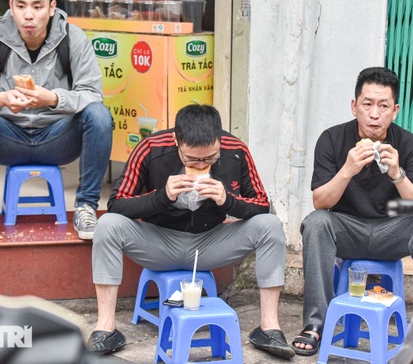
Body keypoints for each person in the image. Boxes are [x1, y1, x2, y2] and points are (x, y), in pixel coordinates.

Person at [87, 104, 295, 360]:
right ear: (176, 141)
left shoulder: (236, 150)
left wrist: (227, 200)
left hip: (211, 243)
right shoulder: (151, 147)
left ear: (219, 140)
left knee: (270, 226)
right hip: (158, 241)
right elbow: (117, 203)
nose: (201, 164)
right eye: (192, 159)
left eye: (210, 158)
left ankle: (269, 328)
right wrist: (162, 196)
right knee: (107, 225)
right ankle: (106, 329)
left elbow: (263, 204)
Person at [291, 67, 413, 356]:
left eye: (383, 106)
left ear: (395, 110)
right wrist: (347, 169)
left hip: (392, 232)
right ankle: (315, 324)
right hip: (347, 229)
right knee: (316, 223)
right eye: (367, 104)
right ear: (354, 106)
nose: (375, 114)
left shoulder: (409, 144)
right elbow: (320, 201)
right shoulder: (332, 139)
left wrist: (397, 174)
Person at [0, 0, 113, 241]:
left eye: (37, 6)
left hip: (58, 138)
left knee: (99, 115)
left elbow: (92, 93)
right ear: (10, 7)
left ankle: (86, 206)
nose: (29, 15)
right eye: (21, 6)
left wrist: (53, 99)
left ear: (51, 8)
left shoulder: (73, 38)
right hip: (6, 137)